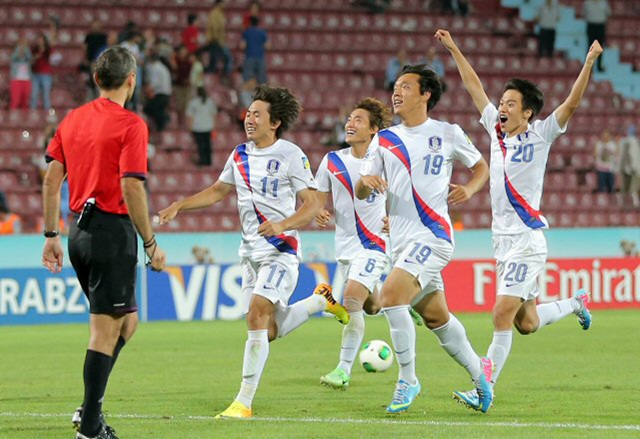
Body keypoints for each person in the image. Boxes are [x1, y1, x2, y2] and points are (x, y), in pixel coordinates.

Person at [157, 84, 349, 419]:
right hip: (249, 254)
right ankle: (321, 301)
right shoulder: (240, 154)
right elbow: (218, 191)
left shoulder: (291, 155)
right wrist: (180, 205)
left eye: (257, 114)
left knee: (256, 312)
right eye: (248, 113)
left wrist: (284, 224)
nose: (249, 118)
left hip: (281, 250)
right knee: (266, 329)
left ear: (274, 123)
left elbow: (312, 203)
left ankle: (243, 402)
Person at [436, 29, 600, 411]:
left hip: (527, 238)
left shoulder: (542, 134)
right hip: (502, 240)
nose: (503, 107)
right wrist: (455, 47)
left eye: (512, 103)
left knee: (500, 313)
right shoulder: (496, 130)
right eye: (503, 101)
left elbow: (571, 105)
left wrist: (589, 62)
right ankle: (576, 304)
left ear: (527, 111)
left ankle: (485, 386)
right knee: (525, 322)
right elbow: (474, 86)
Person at [41, 46, 166, 439]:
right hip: (111, 233)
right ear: (132, 80)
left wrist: (51, 235)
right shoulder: (131, 124)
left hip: (79, 231)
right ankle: (91, 428)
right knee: (104, 331)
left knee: (127, 323)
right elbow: (131, 185)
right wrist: (149, 243)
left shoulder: (73, 119)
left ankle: (88, 407)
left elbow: (50, 180)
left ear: (97, 80)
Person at [355, 64, 493, 414]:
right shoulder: (383, 139)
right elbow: (363, 182)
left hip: (433, 236)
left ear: (425, 94)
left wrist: (470, 188)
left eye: (405, 86)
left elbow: (481, 167)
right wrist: (366, 183)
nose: (396, 92)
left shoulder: (447, 133)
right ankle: (481, 380)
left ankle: (408, 379)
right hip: (400, 242)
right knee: (437, 318)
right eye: (395, 86)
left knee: (391, 296)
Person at [315, 98, 393, 388]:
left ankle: (343, 370)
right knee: (371, 306)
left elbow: (407, 195)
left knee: (350, 299)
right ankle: (404, 302)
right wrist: (318, 212)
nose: (350, 123)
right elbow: (315, 197)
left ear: (373, 129)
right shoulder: (332, 160)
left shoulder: (386, 160)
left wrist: (395, 219)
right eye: (349, 118)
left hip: (375, 244)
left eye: (358, 120)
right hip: (346, 247)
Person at [186, 86, 218, 166]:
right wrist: (214, 126)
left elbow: (189, 116)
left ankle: (203, 161)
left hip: (197, 127)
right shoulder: (210, 102)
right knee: (208, 145)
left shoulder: (193, 102)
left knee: (201, 145)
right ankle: (208, 161)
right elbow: (214, 115)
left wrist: (189, 127)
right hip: (208, 126)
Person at [143, 50, 172, 132]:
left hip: (160, 93)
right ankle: (162, 124)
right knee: (159, 110)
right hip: (166, 93)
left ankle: (164, 119)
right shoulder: (163, 67)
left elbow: (154, 83)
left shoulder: (155, 67)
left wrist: (148, 89)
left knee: (148, 108)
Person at [205, 0, 233, 77]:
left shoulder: (220, 14)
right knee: (227, 58)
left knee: (214, 60)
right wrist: (218, 40)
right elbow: (214, 27)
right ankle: (224, 76)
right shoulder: (215, 13)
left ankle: (214, 78)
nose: (224, 5)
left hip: (218, 41)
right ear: (218, 4)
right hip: (216, 41)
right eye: (223, 3)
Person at [241, 16, 270, 84]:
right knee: (262, 80)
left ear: (250, 23)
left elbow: (242, 45)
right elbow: (268, 46)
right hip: (260, 57)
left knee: (247, 79)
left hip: (250, 57)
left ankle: (248, 94)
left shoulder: (246, 32)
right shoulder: (262, 32)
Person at [582, 0, 609, 72]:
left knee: (600, 47)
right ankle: (589, 67)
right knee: (590, 46)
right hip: (591, 25)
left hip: (601, 26)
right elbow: (584, 14)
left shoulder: (604, 3)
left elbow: (608, 13)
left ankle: (599, 66)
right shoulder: (587, 3)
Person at [30, 32, 53, 110]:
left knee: (46, 95)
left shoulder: (48, 49)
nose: (39, 42)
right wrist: (35, 57)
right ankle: (32, 114)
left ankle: (47, 113)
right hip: (35, 74)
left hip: (46, 74)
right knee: (34, 95)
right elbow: (31, 62)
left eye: (41, 40)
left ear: (44, 41)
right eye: (38, 40)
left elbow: (53, 58)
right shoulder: (34, 49)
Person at [619, 125, 640, 208]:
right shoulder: (627, 142)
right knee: (630, 187)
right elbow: (627, 155)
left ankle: (629, 202)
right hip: (631, 168)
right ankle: (629, 202)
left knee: (631, 187)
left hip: (632, 168)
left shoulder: (633, 141)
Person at [10, 39, 32, 109]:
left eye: (24, 45)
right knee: (15, 101)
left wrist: (25, 48)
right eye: (20, 45)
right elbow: (14, 57)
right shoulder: (14, 55)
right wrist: (19, 49)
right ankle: (12, 117)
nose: (22, 47)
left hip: (26, 80)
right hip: (16, 80)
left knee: (25, 101)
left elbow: (30, 58)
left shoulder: (27, 55)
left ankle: (25, 118)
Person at [594, 129, 618, 193]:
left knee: (611, 187)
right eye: (604, 135)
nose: (605, 137)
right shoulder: (598, 144)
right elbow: (595, 155)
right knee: (601, 187)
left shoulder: (613, 144)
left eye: (606, 135)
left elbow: (616, 154)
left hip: (610, 168)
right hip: (601, 168)